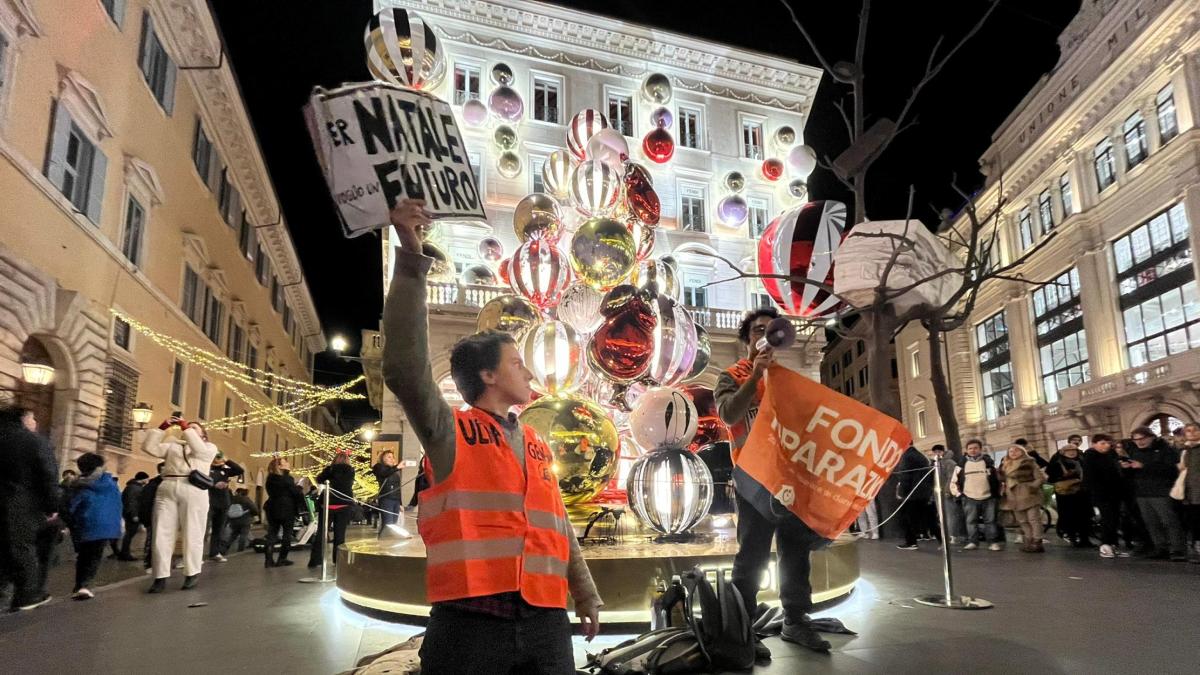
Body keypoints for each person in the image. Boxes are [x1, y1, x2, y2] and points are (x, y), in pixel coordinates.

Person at [383, 198, 602, 674]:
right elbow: (404, 369)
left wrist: (583, 592)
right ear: (486, 374)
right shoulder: (450, 433)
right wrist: (411, 259)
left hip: (546, 621)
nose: (529, 372)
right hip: (470, 625)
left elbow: (558, 524)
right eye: (517, 363)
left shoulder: (538, 442)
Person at [714, 305, 832, 654]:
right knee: (752, 553)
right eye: (756, 330)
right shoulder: (731, 376)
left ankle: (796, 620)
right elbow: (728, 413)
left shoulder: (787, 380)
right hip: (753, 479)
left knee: (795, 552)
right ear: (747, 340)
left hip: (789, 480)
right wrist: (755, 377)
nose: (764, 334)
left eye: (770, 329)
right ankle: (743, 627)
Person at [142, 417, 217, 592]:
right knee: (161, 532)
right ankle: (159, 576)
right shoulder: (173, 445)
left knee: (193, 531)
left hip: (193, 489)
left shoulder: (209, 448)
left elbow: (199, 451)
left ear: (203, 434)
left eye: (194, 428)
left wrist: (185, 428)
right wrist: (162, 428)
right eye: (187, 427)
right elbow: (149, 448)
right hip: (167, 486)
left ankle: (192, 572)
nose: (189, 429)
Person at [0, 405, 60, 611]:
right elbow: (48, 475)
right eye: (33, 418)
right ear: (23, 418)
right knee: (21, 548)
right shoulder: (32, 441)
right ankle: (27, 594)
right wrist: (53, 505)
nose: (35, 423)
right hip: (19, 505)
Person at [65, 452, 122, 599]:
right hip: (106, 525)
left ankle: (82, 585)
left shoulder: (79, 485)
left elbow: (72, 505)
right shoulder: (110, 483)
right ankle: (84, 585)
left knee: (85, 556)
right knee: (93, 556)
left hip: (85, 523)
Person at [1125, 426, 1186, 561]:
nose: (1140, 442)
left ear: (1151, 437)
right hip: (1142, 492)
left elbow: (1171, 469)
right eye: (1136, 440)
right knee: (1151, 522)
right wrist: (1128, 468)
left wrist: (1144, 466)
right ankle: (1160, 547)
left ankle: (1178, 549)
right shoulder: (1134, 451)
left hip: (1161, 491)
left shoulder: (1166, 450)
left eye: (1142, 438)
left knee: (1169, 521)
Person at [950, 439, 1003, 551]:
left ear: (980, 449)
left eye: (975, 448)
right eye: (970, 448)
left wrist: (998, 493)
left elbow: (997, 479)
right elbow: (954, 481)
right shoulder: (961, 465)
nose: (973, 450)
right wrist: (959, 495)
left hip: (989, 497)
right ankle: (973, 542)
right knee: (971, 521)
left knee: (991, 521)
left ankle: (993, 542)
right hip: (969, 498)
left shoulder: (988, 463)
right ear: (967, 450)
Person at [1082, 434, 1130, 559]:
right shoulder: (1090, 456)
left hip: (1115, 492)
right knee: (1108, 518)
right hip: (1102, 493)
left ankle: (1113, 545)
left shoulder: (1111, 455)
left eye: (1108, 443)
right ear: (1094, 444)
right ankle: (1105, 545)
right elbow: (1090, 477)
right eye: (1102, 443)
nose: (1106, 446)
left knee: (1114, 518)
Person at [307, 451, 356, 568]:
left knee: (321, 533)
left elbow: (319, 479)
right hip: (343, 505)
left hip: (328, 504)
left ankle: (315, 560)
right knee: (340, 535)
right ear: (347, 460)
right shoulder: (350, 470)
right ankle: (337, 560)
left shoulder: (329, 469)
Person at [999, 445, 1045, 553]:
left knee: (1033, 519)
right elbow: (1002, 479)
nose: (1013, 452)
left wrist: (1032, 487)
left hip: (1028, 494)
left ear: (1022, 452)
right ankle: (1029, 540)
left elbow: (1040, 478)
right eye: (1010, 451)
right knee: (1022, 520)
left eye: (1016, 450)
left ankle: (1037, 541)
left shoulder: (1029, 463)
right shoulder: (1005, 464)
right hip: (1012, 495)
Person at [1047, 437, 1092, 548]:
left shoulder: (1081, 460)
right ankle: (1072, 537)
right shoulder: (1057, 461)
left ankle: (1085, 539)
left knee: (1084, 516)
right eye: (1068, 451)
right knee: (1069, 515)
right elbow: (1051, 477)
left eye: (1073, 450)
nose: (1071, 453)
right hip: (1065, 494)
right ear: (1063, 452)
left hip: (1081, 492)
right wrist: (1063, 476)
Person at [264, 458, 304, 567]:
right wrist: (299, 489)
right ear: (280, 466)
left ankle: (268, 559)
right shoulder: (287, 478)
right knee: (287, 534)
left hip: (272, 506)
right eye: (285, 462)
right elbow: (296, 493)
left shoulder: (269, 479)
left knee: (272, 533)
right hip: (286, 508)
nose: (288, 463)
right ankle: (282, 558)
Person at [206, 452, 244, 563]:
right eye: (216, 457)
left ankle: (215, 552)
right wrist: (213, 485)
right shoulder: (206, 469)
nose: (218, 459)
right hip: (209, 502)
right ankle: (197, 555)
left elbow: (240, 470)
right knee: (204, 529)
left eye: (219, 457)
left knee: (219, 529)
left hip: (223, 503)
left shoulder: (226, 471)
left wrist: (227, 460)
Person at [895, 445, 933, 550]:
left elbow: (905, 476)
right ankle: (937, 539)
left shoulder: (907, 456)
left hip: (912, 493)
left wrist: (901, 493)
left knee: (906, 518)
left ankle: (911, 542)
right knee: (924, 518)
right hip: (922, 492)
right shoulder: (919, 455)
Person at [931, 445, 966, 544]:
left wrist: (947, 490)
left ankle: (954, 535)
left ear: (943, 451)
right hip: (938, 492)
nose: (937, 454)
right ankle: (947, 534)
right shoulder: (937, 464)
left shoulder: (949, 463)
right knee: (943, 514)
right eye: (935, 452)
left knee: (951, 514)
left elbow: (951, 478)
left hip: (947, 493)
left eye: (938, 451)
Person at [1177, 422, 1200, 563]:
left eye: (1195, 430)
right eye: (1188, 431)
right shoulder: (1184, 450)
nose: (1191, 433)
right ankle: (1197, 546)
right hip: (1190, 492)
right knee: (1195, 521)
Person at [117, 472, 150, 561]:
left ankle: (124, 552)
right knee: (129, 534)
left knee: (129, 534)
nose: (147, 481)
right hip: (132, 515)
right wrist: (134, 515)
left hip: (129, 514)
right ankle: (125, 554)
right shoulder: (134, 488)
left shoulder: (132, 487)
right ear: (142, 479)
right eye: (147, 479)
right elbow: (132, 503)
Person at [137, 463, 164, 571]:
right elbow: (145, 503)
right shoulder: (152, 485)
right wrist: (146, 520)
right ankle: (149, 563)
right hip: (153, 518)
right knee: (152, 541)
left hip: (166, 519)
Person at [220, 488, 258, 555]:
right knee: (244, 534)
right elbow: (254, 509)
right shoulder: (246, 499)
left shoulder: (232, 499)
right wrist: (253, 514)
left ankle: (226, 547)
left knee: (233, 535)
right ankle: (240, 549)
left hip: (234, 520)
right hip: (245, 520)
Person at [372, 450, 403, 530]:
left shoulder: (395, 471)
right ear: (382, 458)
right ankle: (384, 540)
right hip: (386, 499)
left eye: (392, 457)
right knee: (388, 525)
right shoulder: (378, 467)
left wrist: (400, 503)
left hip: (395, 500)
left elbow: (398, 487)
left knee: (394, 525)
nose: (391, 459)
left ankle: (390, 540)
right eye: (389, 457)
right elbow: (384, 473)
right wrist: (396, 467)